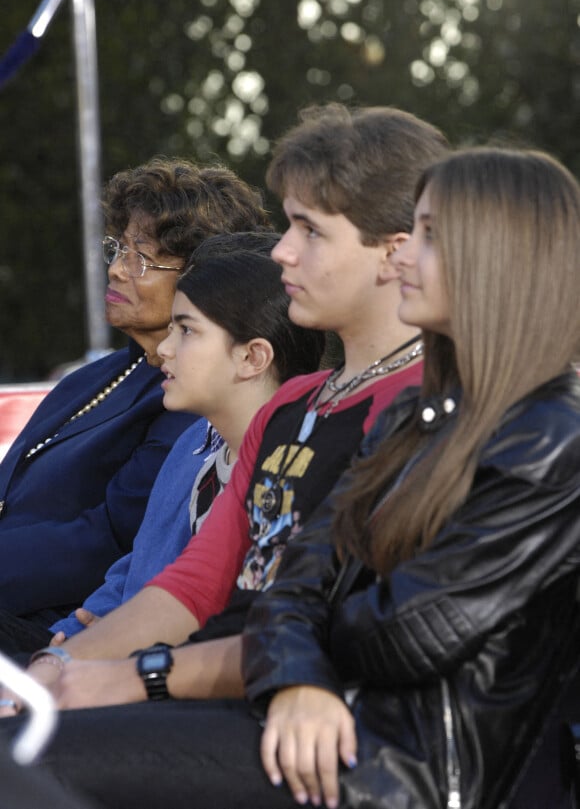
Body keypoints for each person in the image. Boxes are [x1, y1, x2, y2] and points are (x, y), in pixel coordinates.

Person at [19, 146, 580, 809]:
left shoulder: (548, 434)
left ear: (496, 258)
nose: (404, 255)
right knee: (25, 751)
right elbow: (298, 582)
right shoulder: (420, 412)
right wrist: (293, 660)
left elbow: (406, 629)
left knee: (30, 764)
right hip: (323, 724)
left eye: (429, 236)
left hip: (402, 768)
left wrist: (161, 672)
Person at [1, 103, 447, 709]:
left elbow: (348, 626)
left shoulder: (434, 413)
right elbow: (194, 582)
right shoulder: (295, 404)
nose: (283, 251)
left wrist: (126, 675)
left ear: (394, 252)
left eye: (309, 230)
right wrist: (60, 665)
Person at [10, 232, 323, 656]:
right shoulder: (194, 443)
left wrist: (100, 651)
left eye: (187, 331)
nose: (167, 348)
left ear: (253, 357)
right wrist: (65, 643)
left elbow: (229, 628)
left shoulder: (292, 465)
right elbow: (134, 566)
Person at [0, 156, 271, 634]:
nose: (118, 271)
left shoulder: (192, 401)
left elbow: (111, 541)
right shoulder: (99, 375)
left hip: (59, 621)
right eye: (118, 249)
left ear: (205, 276)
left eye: (140, 257)